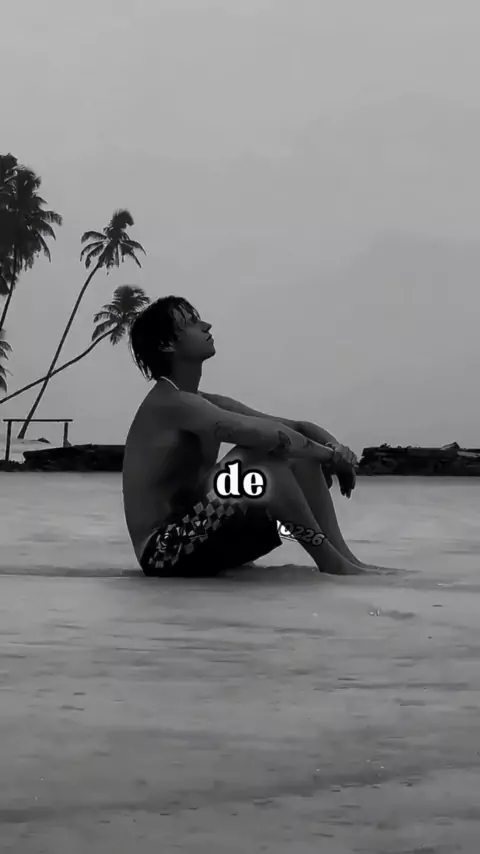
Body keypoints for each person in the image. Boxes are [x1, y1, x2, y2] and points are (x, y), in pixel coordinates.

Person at [123, 295, 374, 578]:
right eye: (192, 323)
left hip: (204, 535)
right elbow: (264, 435)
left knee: (301, 461)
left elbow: (296, 427)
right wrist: (331, 456)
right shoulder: (170, 403)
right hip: (163, 553)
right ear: (166, 345)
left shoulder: (203, 402)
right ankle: (332, 564)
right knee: (262, 461)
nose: (206, 325)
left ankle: (346, 559)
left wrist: (336, 449)